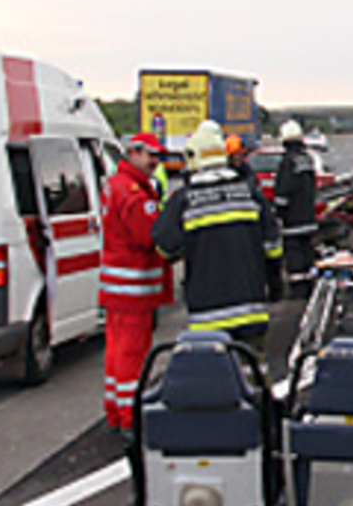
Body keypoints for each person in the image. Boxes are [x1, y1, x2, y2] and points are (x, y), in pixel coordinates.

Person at [154, 122, 284, 359]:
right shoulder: (249, 192)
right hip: (252, 310)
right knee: (253, 379)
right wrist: (275, 286)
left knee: (212, 386)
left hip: (206, 317)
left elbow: (164, 247)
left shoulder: (184, 200)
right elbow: (273, 246)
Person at [100, 132, 171, 437]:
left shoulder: (117, 185)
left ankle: (116, 410)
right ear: (133, 153)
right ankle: (130, 416)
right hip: (134, 286)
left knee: (116, 350)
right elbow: (150, 238)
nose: (156, 162)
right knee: (132, 352)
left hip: (118, 284)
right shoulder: (133, 193)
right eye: (150, 155)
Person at [273, 120, 318, 292]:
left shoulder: (288, 162)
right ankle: (309, 286)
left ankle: (298, 288)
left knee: (294, 253)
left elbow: (284, 191)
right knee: (307, 251)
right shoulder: (307, 159)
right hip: (308, 216)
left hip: (293, 221)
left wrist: (279, 212)